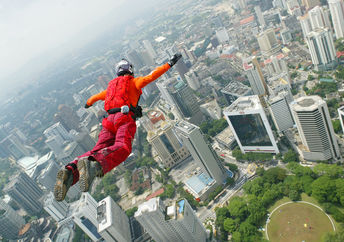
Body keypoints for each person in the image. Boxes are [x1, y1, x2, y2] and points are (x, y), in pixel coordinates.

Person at [54, 53, 182, 201]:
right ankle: (94, 164)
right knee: (123, 147)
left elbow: (94, 98)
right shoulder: (133, 82)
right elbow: (152, 75)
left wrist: (88, 103)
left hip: (108, 122)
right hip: (123, 119)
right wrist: (170, 63)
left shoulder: (110, 88)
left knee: (97, 149)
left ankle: (70, 171)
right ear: (130, 70)